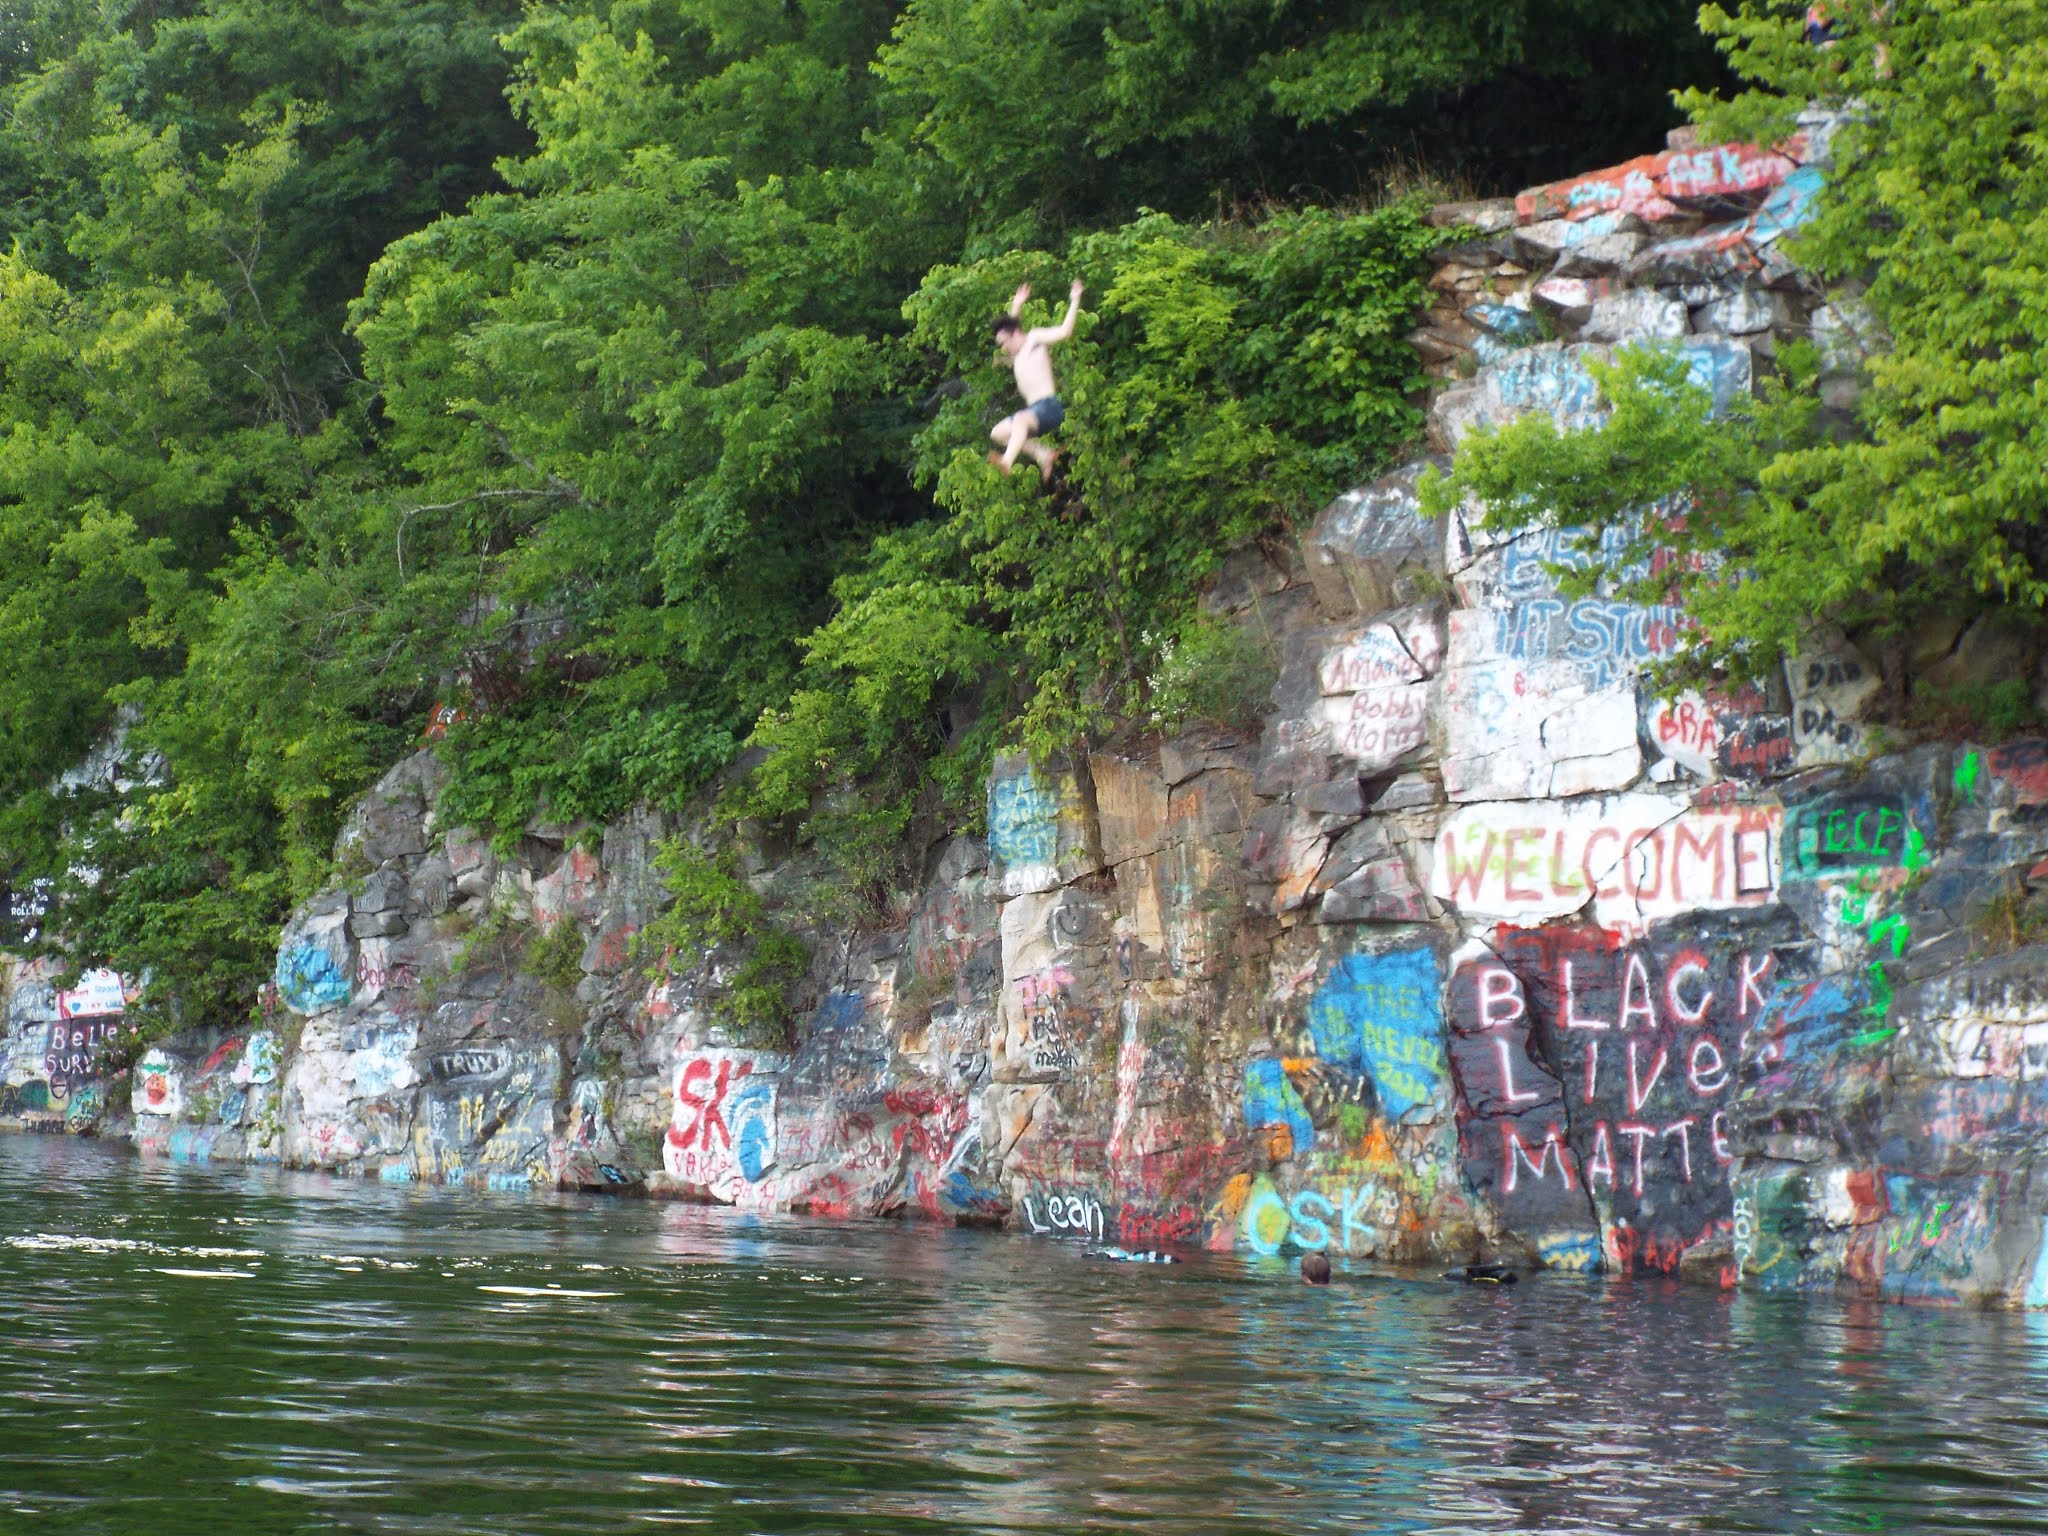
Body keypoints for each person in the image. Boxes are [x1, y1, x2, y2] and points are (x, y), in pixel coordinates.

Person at [990, 279, 1082, 482]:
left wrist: (1075, 300)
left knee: (1020, 421)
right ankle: (1042, 454)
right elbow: (1012, 324)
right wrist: (1017, 304)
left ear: (1013, 336)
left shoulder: (1034, 339)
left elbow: (1065, 332)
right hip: (1035, 410)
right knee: (998, 433)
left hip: (1049, 407)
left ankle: (1007, 461)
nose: (1004, 349)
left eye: (1004, 344)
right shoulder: (1017, 352)